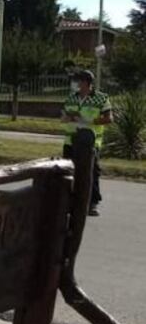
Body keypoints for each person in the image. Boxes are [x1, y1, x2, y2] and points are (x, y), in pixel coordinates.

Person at [62, 69, 111, 216]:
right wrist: (68, 118)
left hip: (90, 142)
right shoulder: (71, 97)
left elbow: (109, 119)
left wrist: (89, 120)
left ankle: (93, 203)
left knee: (92, 172)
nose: (76, 84)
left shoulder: (101, 98)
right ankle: (70, 201)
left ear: (86, 82)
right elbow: (63, 115)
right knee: (69, 171)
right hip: (71, 140)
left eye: (78, 81)